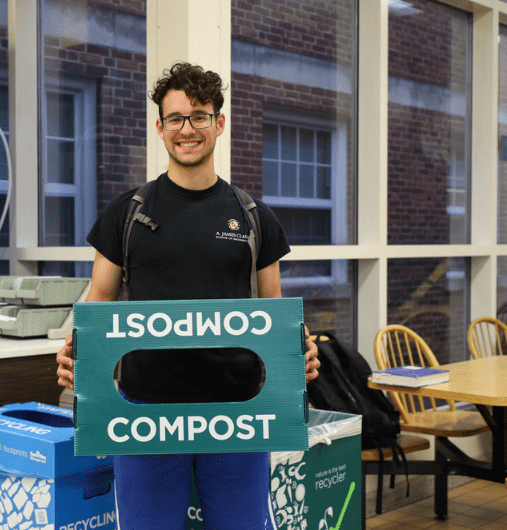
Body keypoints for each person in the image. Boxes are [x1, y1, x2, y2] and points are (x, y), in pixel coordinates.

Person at [56, 61, 320, 530]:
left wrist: (300, 352)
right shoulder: (127, 214)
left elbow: (274, 311)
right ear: (160, 128)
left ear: (220, 123)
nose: (187, 129)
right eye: (175, 118)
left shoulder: (255, 217)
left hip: (238, 413)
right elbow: (98, 297)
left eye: (199, 116)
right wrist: (78, 352)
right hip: (144, 412)